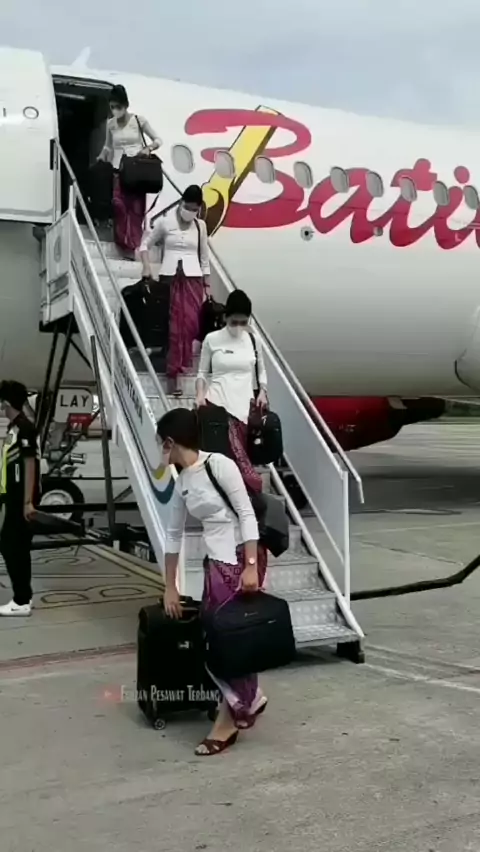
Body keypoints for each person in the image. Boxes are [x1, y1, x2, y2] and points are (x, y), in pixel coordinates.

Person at [158, 407, 268, 756]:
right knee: (215, 638)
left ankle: (228, 721)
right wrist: (170, 586)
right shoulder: (183, 481)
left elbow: (246, 514)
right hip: (216, 564)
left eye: (162, 444)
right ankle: (249, 698)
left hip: (240, 558)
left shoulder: (218, 465)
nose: (160, 451)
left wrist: (250, 566)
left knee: (231, 641)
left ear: (171, 442)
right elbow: (172, 534)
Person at [195, 289, 268, 496]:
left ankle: (243, 502)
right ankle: (246, 497)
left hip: (244, 407)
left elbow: (261, 371)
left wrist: (263, 391)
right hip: (218, 404)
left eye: (243, 322)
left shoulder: (253, 340)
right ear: (226, 317)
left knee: (240, 460)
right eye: (234, 322)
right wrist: (199, 395)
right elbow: (202, 373)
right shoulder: (212, 339)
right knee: (229, 463)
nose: (238, 327)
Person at [139, 185, 210, 395]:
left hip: (193, 280)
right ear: (181, 203)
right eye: (188, 207)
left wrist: (208, 285)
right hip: (169, 279)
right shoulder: (165, 222)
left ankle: (181, 365)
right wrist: (146, 266)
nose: (191, 212)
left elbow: (204, 258)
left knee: (191, 326)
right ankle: (174, 377)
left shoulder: (200, 226)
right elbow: (144, 245)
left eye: (195, 209)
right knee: (174, 329)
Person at [97, 84, 162, 255]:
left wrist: (148, 149)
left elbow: (158, 140)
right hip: (118, 170)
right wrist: (102, 156)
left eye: (118, 106)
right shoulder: (111, 124)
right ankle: (122, 243)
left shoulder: (139, 121)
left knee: (135, 209)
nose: (115, 110)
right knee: (119, 206)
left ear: (125, 105)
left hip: (137, 171)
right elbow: (108, 146)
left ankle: (133, 246)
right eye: (112, 107)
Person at [0, 381, 41, 617]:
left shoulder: (24, 428)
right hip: (12, 498)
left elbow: (29, 464)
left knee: (12, 546)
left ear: (7, 402)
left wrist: (27, 502)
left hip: (21, 500)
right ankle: (23, 597)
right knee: (14, 547)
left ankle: (21, 600)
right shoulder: (14, 427)